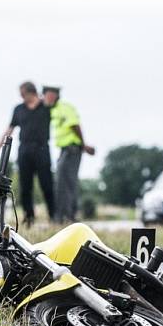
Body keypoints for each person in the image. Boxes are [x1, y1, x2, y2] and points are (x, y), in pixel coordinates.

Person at [0, 82, 55, 225]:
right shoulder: (19, 109)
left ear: (31, 92)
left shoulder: (46, 107)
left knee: (47, 184)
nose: (21, 96)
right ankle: (29, 217)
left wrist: (47, 99)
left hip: (42, 149)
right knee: (25, 186)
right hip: (24, 150)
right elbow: (9, 130)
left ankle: (54, 215)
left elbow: (55, 100)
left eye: (22, 94)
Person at [42, 86, 95, 223]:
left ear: (54, 95)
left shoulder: (64, 107)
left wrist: (83, 145)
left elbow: (75, 125)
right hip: (64, 150)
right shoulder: (53, 110)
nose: (44, 98)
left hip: (72, 149)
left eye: (46, 95)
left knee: (67, 183)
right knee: (61, 183)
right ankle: (63, 216)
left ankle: (69, 216)